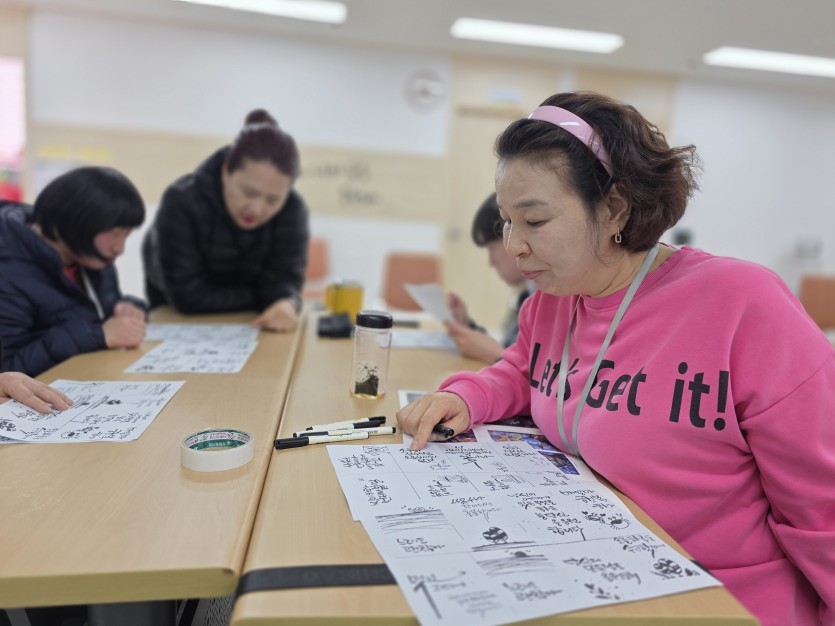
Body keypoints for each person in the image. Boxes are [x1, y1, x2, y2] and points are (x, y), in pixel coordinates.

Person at [397, 92, 834, 626]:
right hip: (597, 576)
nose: (513, 246)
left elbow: (823, 505)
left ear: (614, 210)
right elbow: (523, 370)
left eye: (534, 221)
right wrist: (468, 396)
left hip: (721, 598)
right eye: (507, 222)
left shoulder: (744, 305)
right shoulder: (554, 300)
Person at [142, 109, 310, 332]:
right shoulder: (181, 202)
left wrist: (286, 302)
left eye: (273, 199)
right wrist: (266, 295)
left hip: (251, 325)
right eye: (249, 192)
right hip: (177, 320)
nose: (257, 209)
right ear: (226, 171)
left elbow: (285, 277)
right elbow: (187, 297)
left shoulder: (292, 209)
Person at [0, 167, 147, 377]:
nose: (119, 248)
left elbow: (100, 312)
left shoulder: (90, 257)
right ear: (75, 223)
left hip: (94, 378)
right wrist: (95, 336)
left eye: (126, 235)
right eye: (115, 234)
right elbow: (8, 372)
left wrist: (126, 307)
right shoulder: (8, 272)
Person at [445, 192, 533, 363]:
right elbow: (510, 348)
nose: (491, 262)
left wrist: (497, 355)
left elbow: (532, 372)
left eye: (492, 249)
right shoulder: (525, 296)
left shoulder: (546, 298)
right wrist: (467, 326)